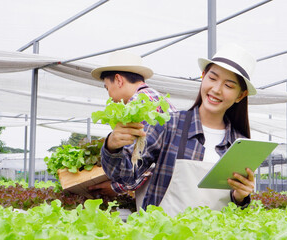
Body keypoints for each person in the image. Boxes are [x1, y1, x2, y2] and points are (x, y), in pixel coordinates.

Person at [101, 43, 257, 215]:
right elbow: (125, 176)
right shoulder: (170, 124)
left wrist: (240, 198)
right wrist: (112, 146)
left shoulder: (240, 145)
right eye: (212, 78)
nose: (216, 89)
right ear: (203, 76)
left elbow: (235, 213)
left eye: (229, 85)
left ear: (240, 95)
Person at [88, 50, 176, 198]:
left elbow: (137, 165)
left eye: (107, 87)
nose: (109, 94)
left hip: (163, 197)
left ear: (118, 80)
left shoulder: (142, 105)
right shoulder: (154, 98)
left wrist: (115, 187)